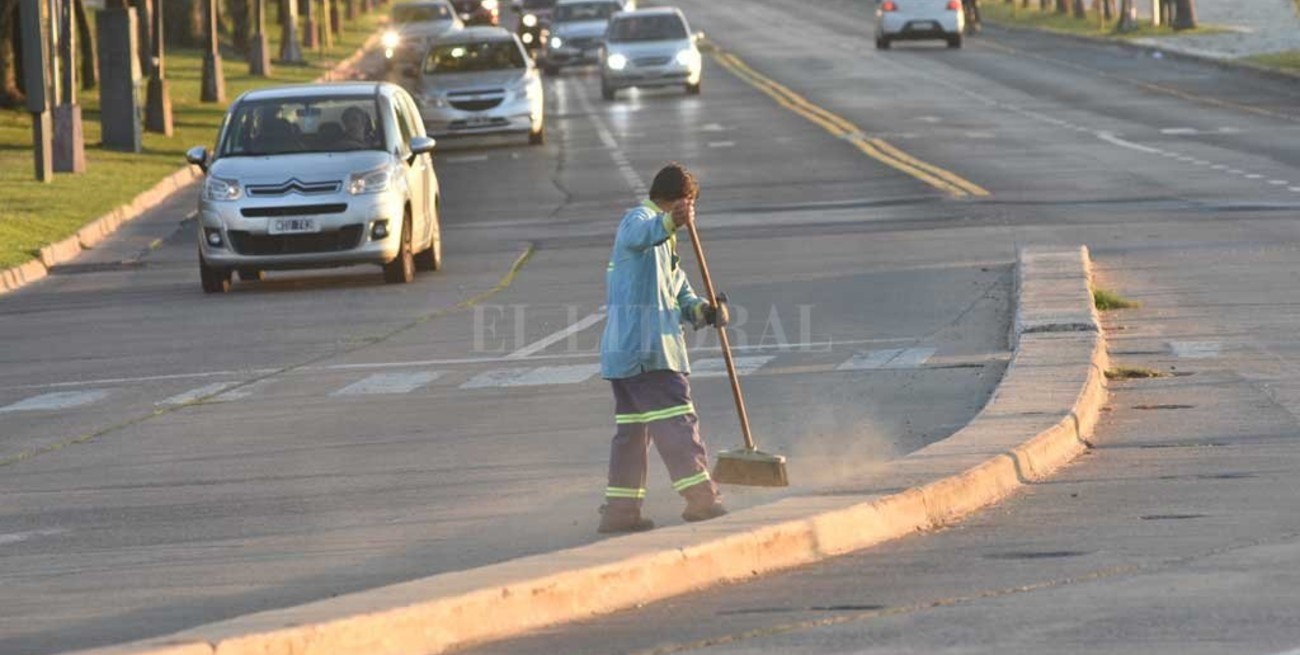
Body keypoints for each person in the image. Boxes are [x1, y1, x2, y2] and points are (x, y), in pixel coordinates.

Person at [597, 163, 731, 534]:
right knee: (676, 423)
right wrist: (671, 222)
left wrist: (706, 311)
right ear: (680, 202)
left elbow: (681, 293)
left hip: (627, 355)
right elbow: (642, 233)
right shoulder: (639, 220)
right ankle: (702, 499)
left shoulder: (666, 245)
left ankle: (621, 512)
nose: (691, 217)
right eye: (689, 207)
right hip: (648, 353)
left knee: (633, 433)